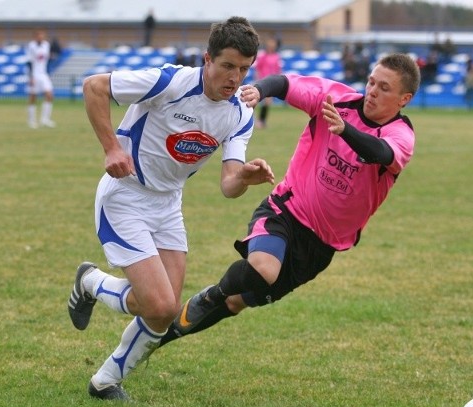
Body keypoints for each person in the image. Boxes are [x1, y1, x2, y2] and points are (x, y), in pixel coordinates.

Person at [67, 16, 275, 401]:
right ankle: (91, 283)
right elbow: (94, 86)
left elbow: (228, 185)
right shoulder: (171, 81)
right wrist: (112, 147)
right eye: (228, 65)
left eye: (244, 69)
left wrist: (245, 176)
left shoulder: (240, 114)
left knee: (164, 311)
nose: (235, 77)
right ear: (207, 59)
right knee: (159, 304)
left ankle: (105, 381)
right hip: (125, 196)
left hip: (168, 205)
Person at [157, 53, 420, 355]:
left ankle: (166, 334)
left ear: (404, 99)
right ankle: (203, 300)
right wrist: (261, 90)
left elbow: (382, 153)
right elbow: (285, 84)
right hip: (286, 209)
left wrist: (346, 131)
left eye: (384, 88)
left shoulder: (401, 134)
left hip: (321, 246)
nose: (372, 91)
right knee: (262, 271)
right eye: (372, 82)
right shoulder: (336, 99)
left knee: (237, 302)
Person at [25, 29, 55, 128]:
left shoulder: (46, 45)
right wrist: (31, 77)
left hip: (43, 74)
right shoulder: (31, 46)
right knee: (33, 97)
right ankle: (31, 120)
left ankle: (44, 119)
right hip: (34, 74)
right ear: (35, 37)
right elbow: (29, 62)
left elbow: (46, 60)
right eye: (39, 36)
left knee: (49, 95)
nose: (41, 37)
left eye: (42, 36)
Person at [253, 36, 282, 128]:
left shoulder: (276, 57)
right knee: (256, 101)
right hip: (262, 81)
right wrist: (257, 80)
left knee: (267, 102)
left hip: (272, 82)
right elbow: (258, 69)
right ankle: (255, 120)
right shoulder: (263, 56)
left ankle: (261, 121)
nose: (271, 44)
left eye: (273, 43)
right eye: (270, 42)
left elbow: (278, 70)